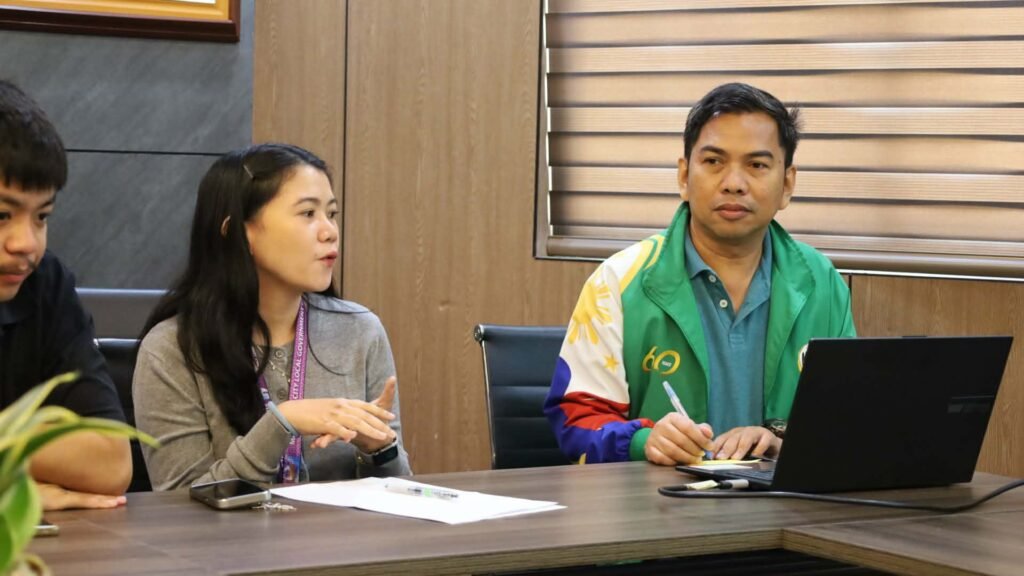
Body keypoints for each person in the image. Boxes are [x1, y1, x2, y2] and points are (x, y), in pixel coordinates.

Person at [545, 83, 855, 466]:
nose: (734, 183)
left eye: (757, 165)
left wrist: (780, 443)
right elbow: (574, 420)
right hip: (654, 500)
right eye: (713, 162)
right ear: (683, 176)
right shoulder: (618, 281)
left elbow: (848, 419)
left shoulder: (821, 282)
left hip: (780, 501)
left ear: (787, 184)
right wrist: (644, 442)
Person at [134, 143, 410, 489]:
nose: (330, 231)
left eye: (331, 213)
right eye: (308, 213)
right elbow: (179, 502)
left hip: (341, 528)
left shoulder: (359, 331)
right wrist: (282, 423)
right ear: (238, 232)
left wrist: (380, 450)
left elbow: (399, 494)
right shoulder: (171, 349)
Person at [0, 80, 131, 509]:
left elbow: (112, 463)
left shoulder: (46, 285)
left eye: (42, 216)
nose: (26, 243)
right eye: (2, 215)